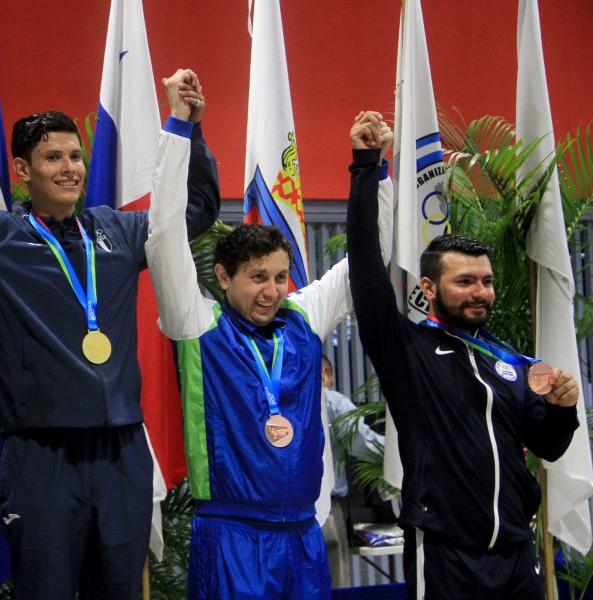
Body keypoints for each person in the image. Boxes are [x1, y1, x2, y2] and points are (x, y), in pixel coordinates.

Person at [0, 61, 219, 597]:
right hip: (42, 459)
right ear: (22, 170)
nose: (70, 168)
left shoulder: (119, 232)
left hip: (123, 454)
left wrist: (192, 128)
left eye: (76, 156)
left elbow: (193, 212)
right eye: (53, 157)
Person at [144, 110, 394, 599]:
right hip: (231, 535)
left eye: (280, 277)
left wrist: (372, 168)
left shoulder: (303, 317)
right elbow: (163, 239)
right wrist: (177, 129)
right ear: (223, 277)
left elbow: (370, 257)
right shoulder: (197, 325)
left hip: (302, 534)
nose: (272, 291)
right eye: (258, 277)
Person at [347, 146, 580, 596]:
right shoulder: (405, 349)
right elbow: (365, 268)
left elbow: (549, 447)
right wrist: (365, 166)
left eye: (487, 281)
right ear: (429, 288)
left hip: (516, 553)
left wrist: (560, 409)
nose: (481, 293)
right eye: (465, 282)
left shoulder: (510, 361)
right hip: (445, 553)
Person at [320, 355, 385, 588]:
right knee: (334, 583)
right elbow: (363, 444)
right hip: (325, 511)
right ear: (325, 374)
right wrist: (402, 453)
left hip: (280, 512)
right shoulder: (331, 401)